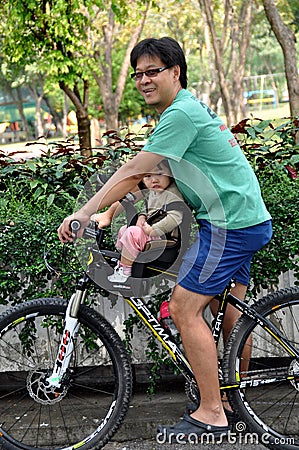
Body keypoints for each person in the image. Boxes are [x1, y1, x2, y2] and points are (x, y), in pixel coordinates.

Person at [58, 36, 272, 440]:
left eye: (152, 71)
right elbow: (154, 183)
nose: (142, 80)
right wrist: (110, 213)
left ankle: (213, 412)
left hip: (231, 224)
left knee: (184, 309)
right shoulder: (184, 110)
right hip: (241, 216)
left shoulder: (180, 114)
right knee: (232, 315)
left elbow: (137, 170)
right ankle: (232, 402)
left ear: (175, 72)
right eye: (138, 73)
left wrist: (84, 212)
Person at [98, 160, 184, 283]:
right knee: (124, 229)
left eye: (159, 174)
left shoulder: (172, 194)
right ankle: (125, 258)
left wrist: (154, 230)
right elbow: (149, 210)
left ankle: (125, 270)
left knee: (132, 232)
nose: (154, 180)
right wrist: (142, 216)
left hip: (164, 237)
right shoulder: (155, 192)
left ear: (170, 174)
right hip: (151, 231)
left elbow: (175, 217)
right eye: (148, 176)